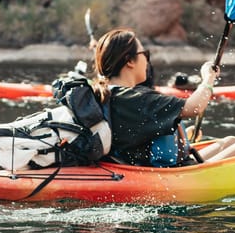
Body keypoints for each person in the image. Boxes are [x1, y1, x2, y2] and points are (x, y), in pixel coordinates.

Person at [91, 28, 219, 166]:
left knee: (227, 142)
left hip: (136, 166)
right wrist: (209, 77)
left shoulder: (105, 94)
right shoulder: (137, 99)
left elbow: (134, 141)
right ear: (130, 61)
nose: (147, 59)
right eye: (144, 54)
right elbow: (195, 107)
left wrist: (183, 137)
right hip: (172, 173)